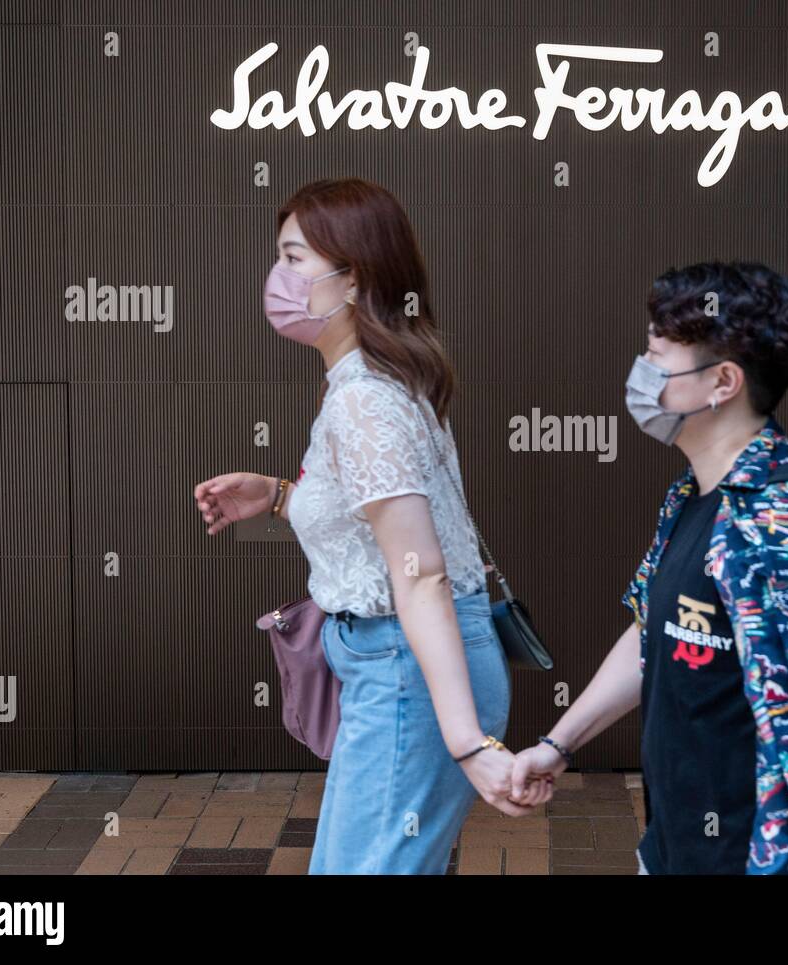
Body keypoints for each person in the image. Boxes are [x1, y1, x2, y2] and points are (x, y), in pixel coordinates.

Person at [193, 178, 550, 874]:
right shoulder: (381, 382)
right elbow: (376, 530)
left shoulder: (365, 402)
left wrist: (467, 742)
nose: (278, 277)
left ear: (353, 277)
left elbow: (421, 576)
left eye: (294, 258)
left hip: (407, 670)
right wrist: (275, 496)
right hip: (400, 668)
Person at [511, 260, 788, 874]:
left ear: (723, 382)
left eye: (657, 355)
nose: (642, 373)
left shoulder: (786, 524)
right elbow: (655, 632)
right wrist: (559, 745)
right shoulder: (695, 496)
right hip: (677, 844)